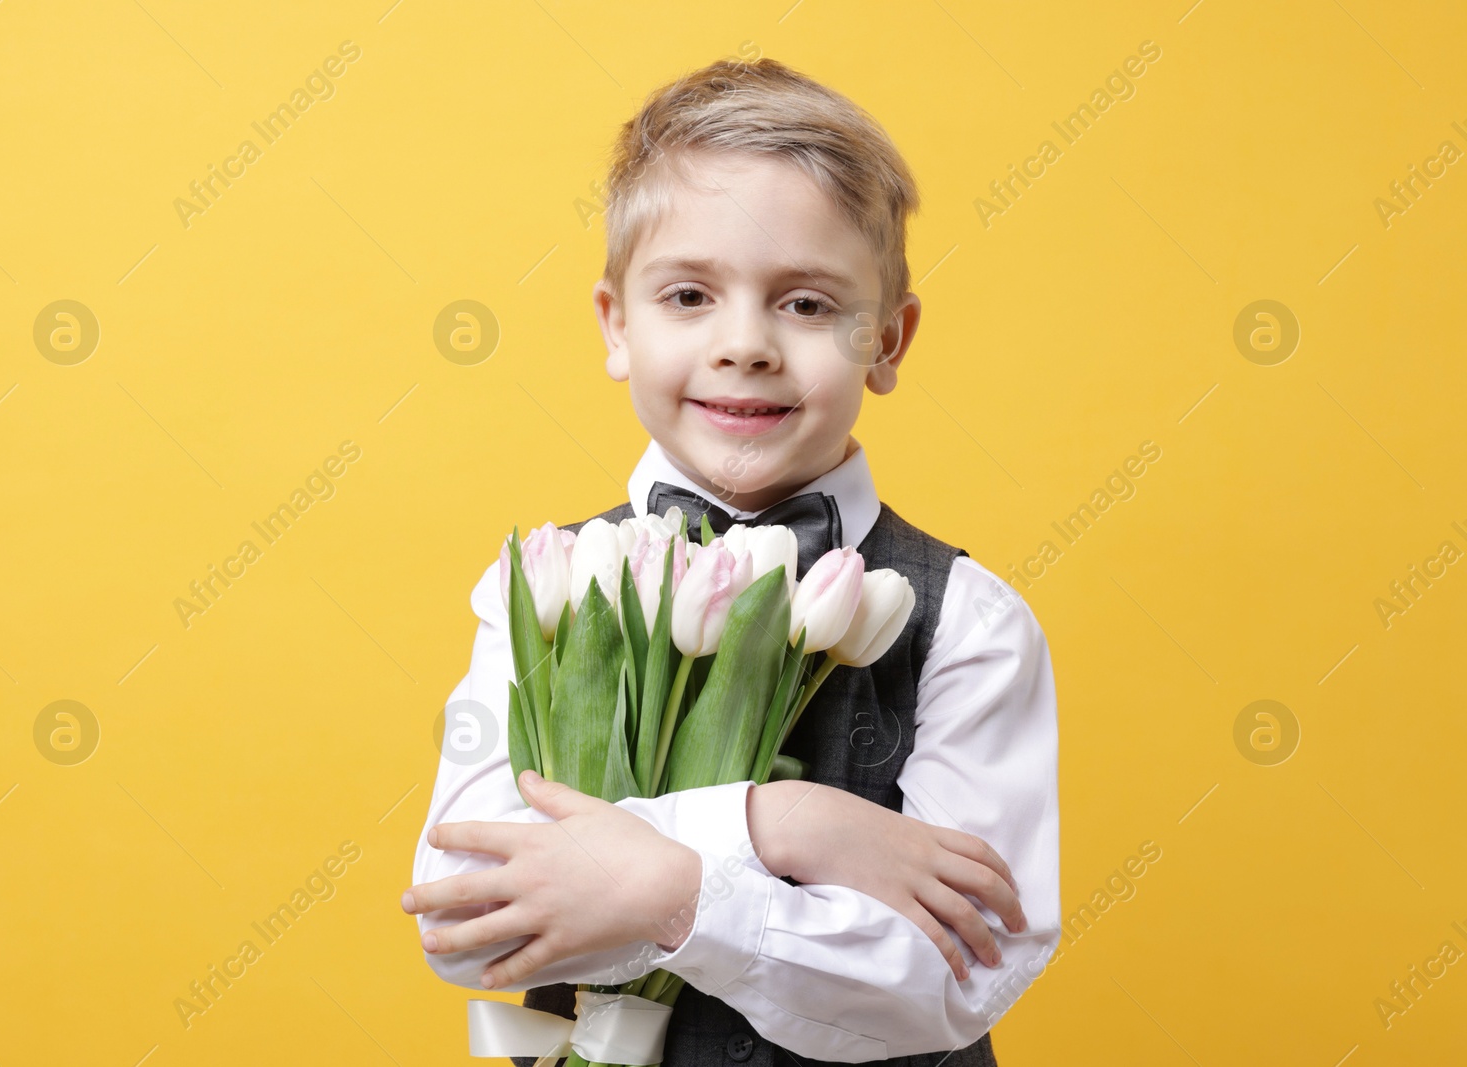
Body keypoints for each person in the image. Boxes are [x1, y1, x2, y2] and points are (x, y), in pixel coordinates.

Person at [405, 56, 1061, 1065]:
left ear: (888, 338)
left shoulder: (970, 621)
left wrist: (671, 890)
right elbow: (465, 918)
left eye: (805, 304)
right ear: (616, 324)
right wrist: (773, 821)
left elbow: (955, 974)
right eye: (688, 295)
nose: (745, 343)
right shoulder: (540, 584)